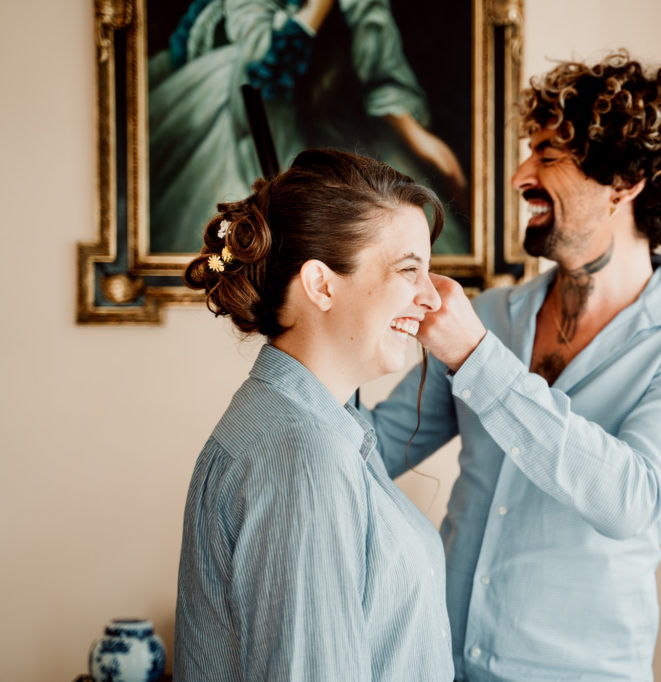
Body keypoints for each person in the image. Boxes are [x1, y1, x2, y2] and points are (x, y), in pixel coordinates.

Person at [367, 51, 661, 680]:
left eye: (546, 155)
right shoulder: (487, 315)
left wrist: (476, 358)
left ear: (624, 183)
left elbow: (631, 500)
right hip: (439, 662)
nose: (520, 176)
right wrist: (327, 338)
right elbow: (378, 448)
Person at [174, 148, 454, 680]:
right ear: (322, 285)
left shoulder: (321, 429)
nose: (432, 299)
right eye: (409, 271)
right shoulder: (299, 457)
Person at [148, 0, 468, 254]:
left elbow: (378, 56)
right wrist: (315, 10)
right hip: (258, 115)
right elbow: (262, 71)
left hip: (339, 116)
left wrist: (415, 135)